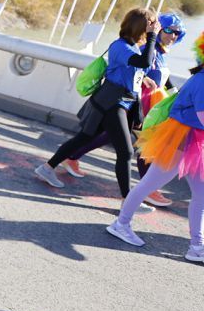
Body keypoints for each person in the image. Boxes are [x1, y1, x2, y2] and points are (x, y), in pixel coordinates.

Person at [60, 13, 186, 208]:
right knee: (144, 144)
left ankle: (71, 157)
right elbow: (138, 69)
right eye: (169, 30)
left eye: (177, 33)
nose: (173, 35)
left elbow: (163, 78)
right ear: (158, 30)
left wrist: (174, 94)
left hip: (148, 104)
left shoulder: (160, 53)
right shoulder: (147, 48)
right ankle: (147, 189)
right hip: (139, 103)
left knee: (110, 136)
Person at [35, 8, 159, 200]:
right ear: (140, 26)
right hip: (111, 103)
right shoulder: (120, 46)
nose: (153, 28)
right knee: (125, 152)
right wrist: (153, 37)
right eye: (150, 24)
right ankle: (128, 200)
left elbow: (132, 70)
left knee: (84, 138)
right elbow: (144, 61)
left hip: (122, 102)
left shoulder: (132, 46)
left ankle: (46, 168)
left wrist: (143, 80)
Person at [106, 31, 204, 263]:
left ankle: (197, 247)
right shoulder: (202, 81)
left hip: (194, 142)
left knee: (201, 195)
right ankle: (121, 224)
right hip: (180, 139)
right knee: (150, 184)